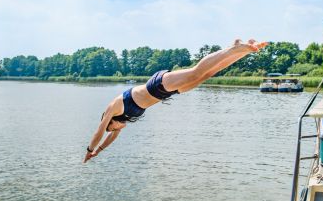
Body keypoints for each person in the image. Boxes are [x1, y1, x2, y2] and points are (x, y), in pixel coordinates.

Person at [84, 38, 268, 162]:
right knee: (208, 74)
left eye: (112, 128)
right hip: (166, 93)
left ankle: (232, 49)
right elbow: (110, 138)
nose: (114, 131)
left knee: (196, 71)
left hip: (156, 85)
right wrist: (97, 152)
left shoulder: (114, 107)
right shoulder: (122, 119)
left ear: (112, 122)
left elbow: (100, 131)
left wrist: (88, 149)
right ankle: (241, 51)